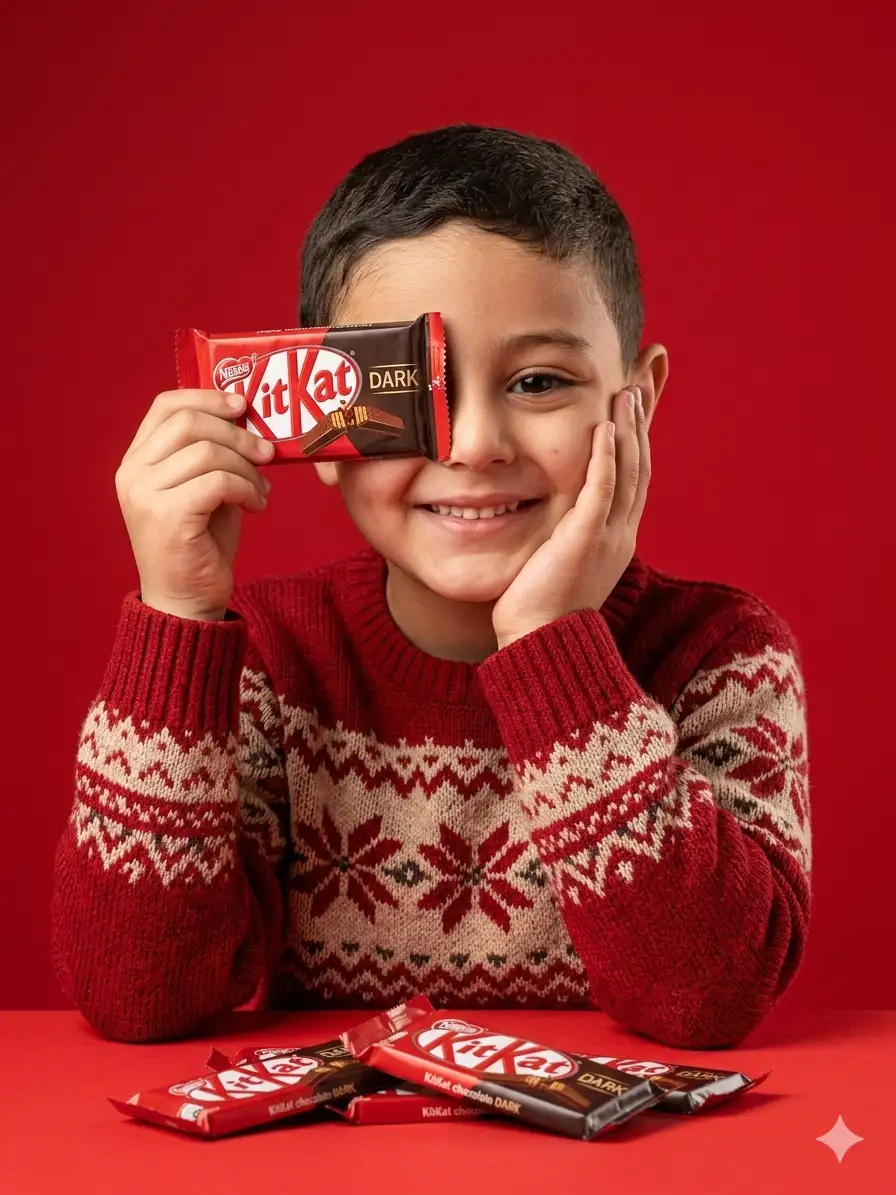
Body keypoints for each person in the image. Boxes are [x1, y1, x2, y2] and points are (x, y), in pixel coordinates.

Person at [52, 125, 811, 1047]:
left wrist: (553, 642)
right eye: (415, 389)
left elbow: (712, 996)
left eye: (539, 381)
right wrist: (176, 614)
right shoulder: (269, 660)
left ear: (637, 402)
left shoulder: (723, 657)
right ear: (321, 422)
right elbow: (139, 994)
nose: (476, 444)